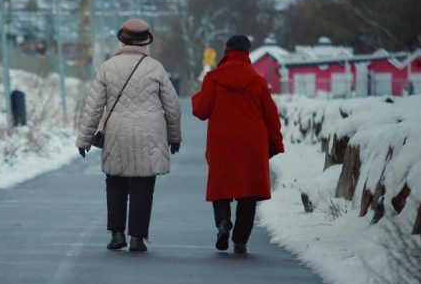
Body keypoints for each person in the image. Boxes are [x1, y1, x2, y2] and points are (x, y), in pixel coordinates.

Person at [77, 19, 182, 252]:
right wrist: (174, 137)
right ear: (146, 40)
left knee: (115, 182)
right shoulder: (156, 68)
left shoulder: (107, 68)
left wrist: (84, 139)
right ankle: (137, 238)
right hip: (150, 134)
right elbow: (173, 106)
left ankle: (116, 234)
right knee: (143, 185)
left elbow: (93, 106)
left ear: (121, 39)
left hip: (118, 133)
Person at [191, 35, 284, 254]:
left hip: (222, 141)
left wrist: (199, 95)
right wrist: (276, 143)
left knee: (221, 188)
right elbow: (272, 116)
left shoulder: (213, 78)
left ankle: (223, 222)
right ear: (247, 53)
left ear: (225, 51)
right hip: (252, 142)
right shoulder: (258, 80)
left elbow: (201, 110)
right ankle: (240, 240)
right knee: (248, 192)